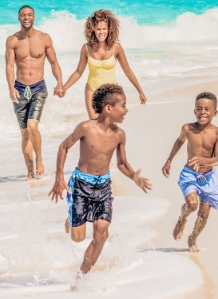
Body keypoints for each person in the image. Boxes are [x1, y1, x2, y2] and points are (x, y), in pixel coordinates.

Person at [49, 84, 151, 278]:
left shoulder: (119, 135)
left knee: (102, 234)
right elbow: (64, 147)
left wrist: (134, 177)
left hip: (103, 186)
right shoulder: (86, 128)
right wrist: (58, 178)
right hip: (81, 184)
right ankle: (72, 217)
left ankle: (82, 276)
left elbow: (122, 163)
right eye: (123, 105)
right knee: (78, 238)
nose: (126, 109)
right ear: (108, 108)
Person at [5, 5, 64, 179]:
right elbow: (9, 66)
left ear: (34, 17)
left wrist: (59, 83)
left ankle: (39, 159)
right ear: (18, 18)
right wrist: (10, 86)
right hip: (20, 88)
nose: (26, 18)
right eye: (23, 15)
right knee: (24, 133)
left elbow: (54, 63)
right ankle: (30, 173)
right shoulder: (12, 40)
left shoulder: (44, 38)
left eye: (29, 15)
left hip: (38, 87)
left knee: (32, 127)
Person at [161, 92, 218, 253]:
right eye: (199, 109)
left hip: (209, 177)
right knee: (192, 205)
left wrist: (204, 161)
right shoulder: (187, 128)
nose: (202, 112)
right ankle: (182, 218)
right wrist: (169, 160)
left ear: (214, 113)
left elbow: (217, 159)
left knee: (204, 213)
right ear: (194, 111)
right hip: (190, 174)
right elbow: (179, 141)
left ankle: (193, 238)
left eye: (207, 109)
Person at [62, 9, 146, 119]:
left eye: (104, 29)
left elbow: (128, 71)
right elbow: (78, 72)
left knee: (111, 127)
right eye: (98, 29)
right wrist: (64, 88)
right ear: (93, 30)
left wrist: (140, 91)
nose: (101, 32)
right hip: (92, 90)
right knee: (95, 126)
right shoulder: (86, 48)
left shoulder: (116, 48)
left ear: (109, 29)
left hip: (112, 93)